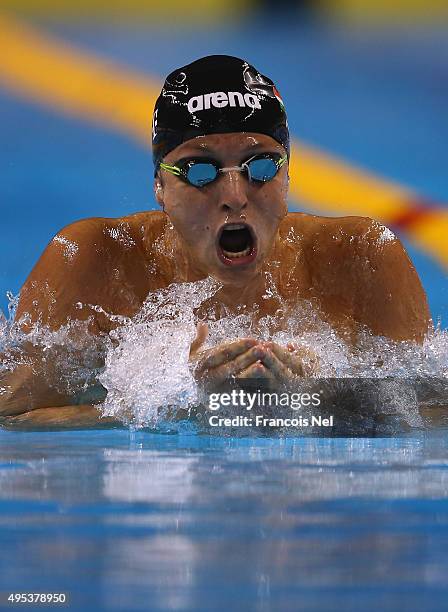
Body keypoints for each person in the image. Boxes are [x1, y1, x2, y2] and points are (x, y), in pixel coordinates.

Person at [0, 55, 431, 429]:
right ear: (159, 187)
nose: (235, 196)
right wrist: (177, 404)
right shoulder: (93, 260)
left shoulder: (360, 258)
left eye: (260, 166)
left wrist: (314, 397)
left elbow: (434, 415)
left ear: (288, 174)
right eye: (200, 171)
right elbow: (10, 418)